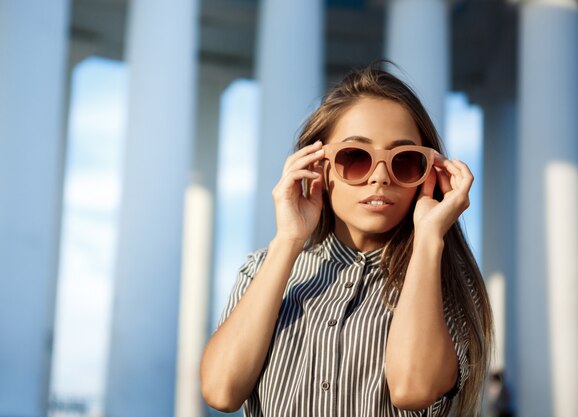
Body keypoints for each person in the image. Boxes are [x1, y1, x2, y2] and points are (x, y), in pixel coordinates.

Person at [200, 63, 493, 417]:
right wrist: (288, 239)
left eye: (405, 161)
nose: (380, 178)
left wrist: (430, 237)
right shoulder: (262, 269)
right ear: (318, 166)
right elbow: (220, 391)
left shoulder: (447, 283)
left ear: (428, 174)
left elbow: (413, 388)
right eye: (356, 158)